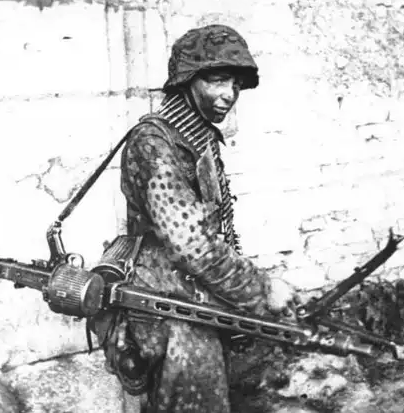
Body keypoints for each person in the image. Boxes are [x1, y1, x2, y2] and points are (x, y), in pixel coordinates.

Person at [103, 24, 298, 413]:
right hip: (166, 308)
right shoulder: (154, 143)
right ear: (187, 81)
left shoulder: (198, 137)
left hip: (194, 297)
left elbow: (215, 231)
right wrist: (262, 289)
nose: (230, 94)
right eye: (218, 80)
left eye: (236, 84)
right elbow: (192, 245)